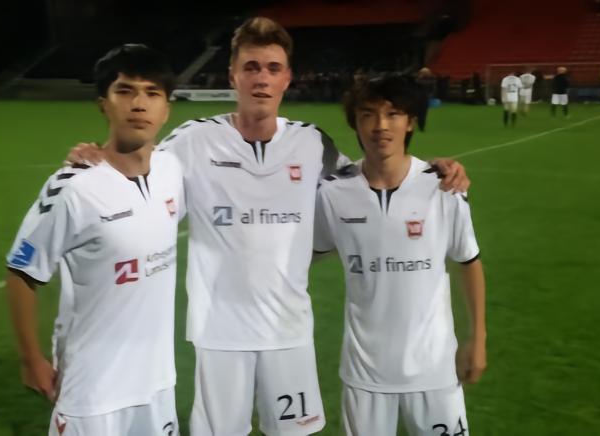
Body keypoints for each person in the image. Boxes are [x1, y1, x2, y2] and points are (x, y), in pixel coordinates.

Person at [66, 17, 470, 436]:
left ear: (287, 78)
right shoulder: (193, 140)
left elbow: (366, 180)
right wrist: (98, 156)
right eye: (251, 67)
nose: (262, 78)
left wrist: (431, 170)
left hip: (289, 331)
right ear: (233, 76)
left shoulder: (311, 142)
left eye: (273, 68)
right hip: (219, 334)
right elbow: (139, 174)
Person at [5, 44, 183, 435]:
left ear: (166, 110)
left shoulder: (172, 170)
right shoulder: (74, 188)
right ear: (104, 104)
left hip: (157, 384)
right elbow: (21, 272)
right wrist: (31, 359)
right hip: (92, 393)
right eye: (125, 91)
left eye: (152, 93)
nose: (139, 104)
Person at [314, 73, 486, 436]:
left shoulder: (444, 187)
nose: (380, 125)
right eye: (368, 114)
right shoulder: (332, 193)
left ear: (410, 122)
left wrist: (478, 339)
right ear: (355, 123)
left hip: (435, 370)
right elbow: (306, 253)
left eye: (393, 114)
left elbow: (468, 261)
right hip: (364, 375)